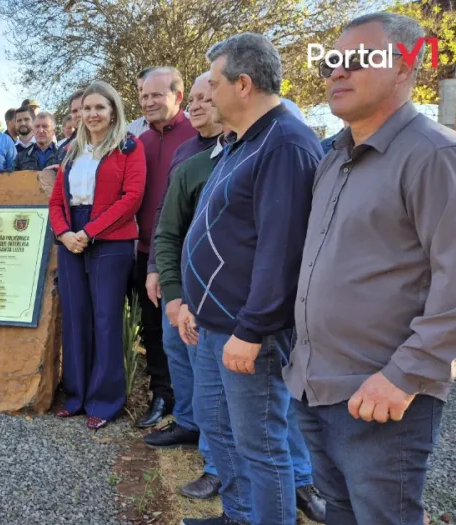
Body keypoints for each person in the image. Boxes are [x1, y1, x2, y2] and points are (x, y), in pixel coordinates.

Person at [285, 12, 456, 525]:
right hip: (315, 387)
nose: (337, 72)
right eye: (331, 62)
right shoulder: (334, 159)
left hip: (382, 398)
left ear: (406, 65)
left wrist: (403, 376)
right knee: (339, 513)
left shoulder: (437, 156)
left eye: (359, 59)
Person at [178, 33, 324, 525]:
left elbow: (282, 253)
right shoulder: (245, 142)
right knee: (222, 434)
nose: (207, 95)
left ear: (243, 84)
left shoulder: (284, 142)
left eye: (214, 84)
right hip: (214, 325)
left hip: (247, 334)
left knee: (260, 446)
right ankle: (240, 516)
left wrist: (252, 330)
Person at [141, 72, 223, 499]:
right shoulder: (187, 152)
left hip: (216, 283)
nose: (197, 106)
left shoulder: (237, 150)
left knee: (210, 368)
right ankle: (189, 423)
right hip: (178, 275)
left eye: (207, 98)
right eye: (194, 99)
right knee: (177, 350)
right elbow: (166, 219)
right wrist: (156, 267)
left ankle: (216, 460)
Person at [49, 80, 146, 430]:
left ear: (113, 110)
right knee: (75, 318)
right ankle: (76, 396)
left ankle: (105, 401)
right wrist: (63, 233)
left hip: (111, 238)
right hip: (72, 236)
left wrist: (90, 231)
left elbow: (131, 197)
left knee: (105, 321)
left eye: (99, 108)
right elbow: (56, 200)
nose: (92, 114)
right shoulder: (71, 151)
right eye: (86, 109)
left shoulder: (128, 148)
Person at [131, 66, 196, 429]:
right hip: (144, 251)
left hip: (184, 255)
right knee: (153, 330)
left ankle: (195, 408)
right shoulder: (139, 141)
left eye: (157, 95)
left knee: (186, 333)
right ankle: (162, 393)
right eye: (144, 96)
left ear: (178, 96)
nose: (149, 101)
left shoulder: (198, 135)